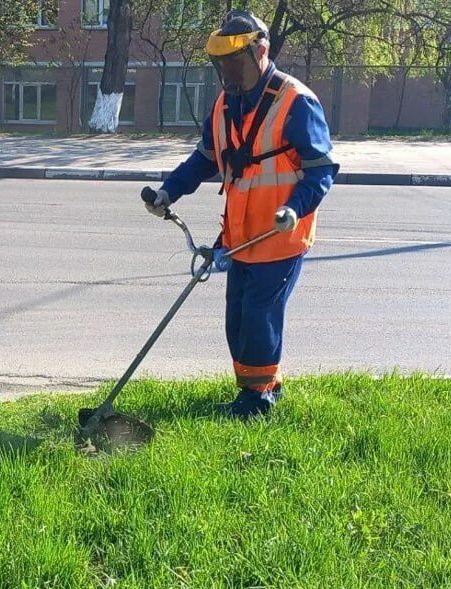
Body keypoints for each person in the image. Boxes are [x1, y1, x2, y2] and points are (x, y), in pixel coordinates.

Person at [145, 9, 339, 417]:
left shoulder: (296, 102)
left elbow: (321, 172)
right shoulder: (224, 104)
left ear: (261, 51)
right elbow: (204, 159)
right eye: (222, 65)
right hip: (239, 238)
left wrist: (294, 208)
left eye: (234, 63)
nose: (228, 73)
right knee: (237, 321)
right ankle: (258, 388)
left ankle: (258, 401)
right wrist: (169, 191)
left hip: (279, 236)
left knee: (258, 318)